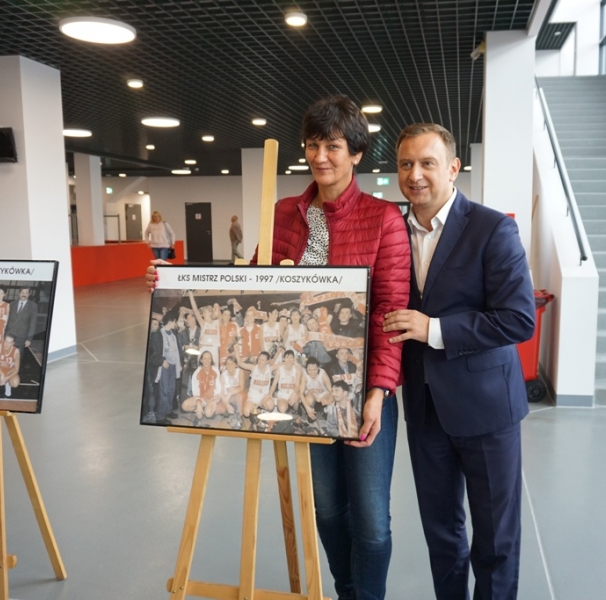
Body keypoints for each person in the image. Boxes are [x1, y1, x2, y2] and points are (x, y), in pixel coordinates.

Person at [148, 95, 410, 600]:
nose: (320, 156)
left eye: (333, 146)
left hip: (361, 391)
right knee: (327, 508)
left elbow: (389, 313)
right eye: (312, 145)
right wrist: (172, 283)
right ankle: (347, 591)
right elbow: (252, 290)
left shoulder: (383, 219)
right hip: (298, 393)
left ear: (356, 153)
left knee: (373, 521)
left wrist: (378, 391)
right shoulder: (285, 213)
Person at [383, 123, 536, 600]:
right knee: (442, 535)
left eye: (427, 163)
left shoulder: (492, 229)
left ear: (452, 168)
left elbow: (518, 319)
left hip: (486, 409)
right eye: (406, 164)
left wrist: (433, 329)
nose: (415, 175)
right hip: (424, 410)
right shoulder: (391, 231)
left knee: (495, 539)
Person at [5, 287, 38, 352]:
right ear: (19, 293)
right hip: (9, 337)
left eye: (26, 293)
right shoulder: (12, 304)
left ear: (29, 294)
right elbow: (7, 320)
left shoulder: (33, 306)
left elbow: (33, 324)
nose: (24, 294)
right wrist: (5, 334)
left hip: (21, 338)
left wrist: (29, 339)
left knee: (18, 356)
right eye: (22, 292)